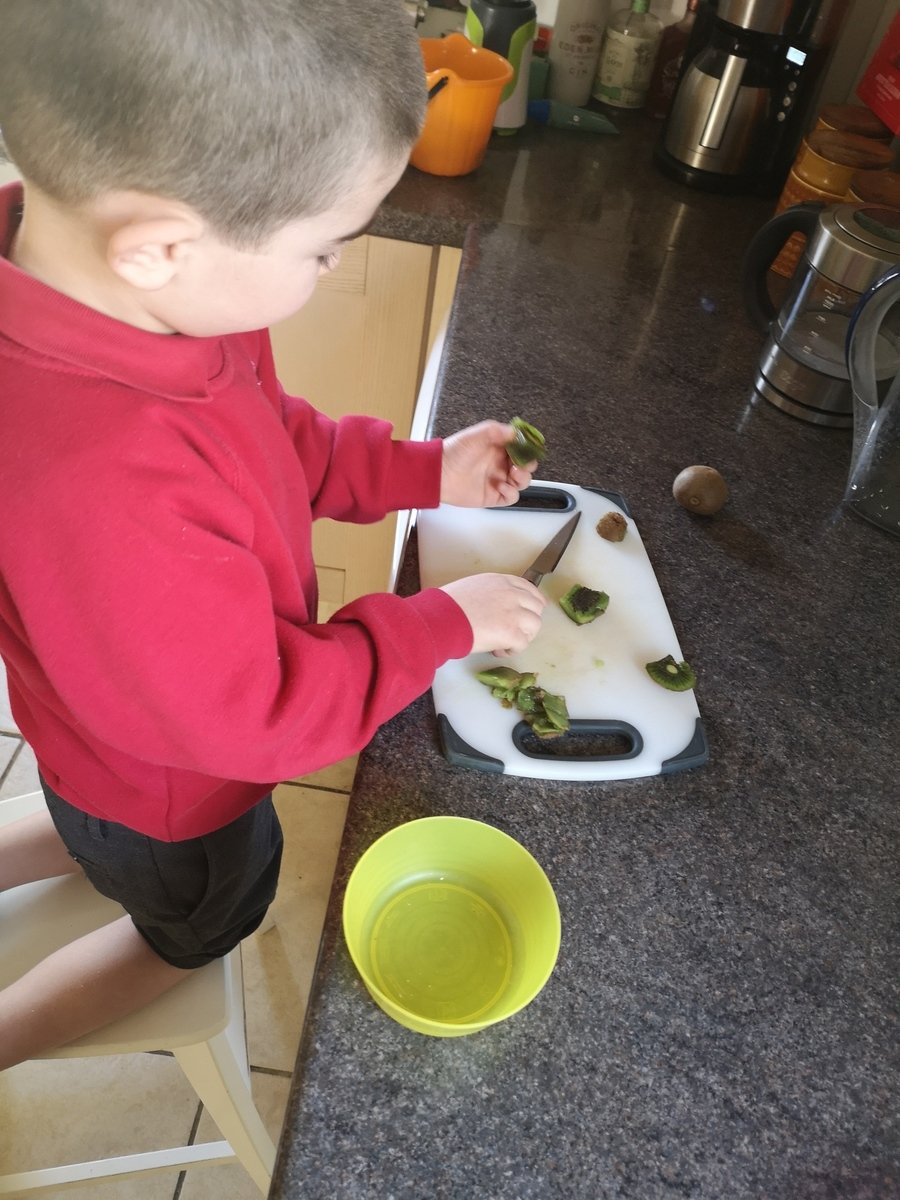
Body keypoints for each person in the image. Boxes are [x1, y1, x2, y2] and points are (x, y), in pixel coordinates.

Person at [0, 0, 547, 1071]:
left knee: (94, 817)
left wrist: (423, 470)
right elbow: (257, 718)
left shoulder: (141, 299)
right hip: (175, 789)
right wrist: (439, 625)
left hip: (101, 745)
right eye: (325, 247)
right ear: (160, 246)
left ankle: (75, 836)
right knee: (196, 924)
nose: (332, 267)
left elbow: (270, 442)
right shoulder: (106, 485)